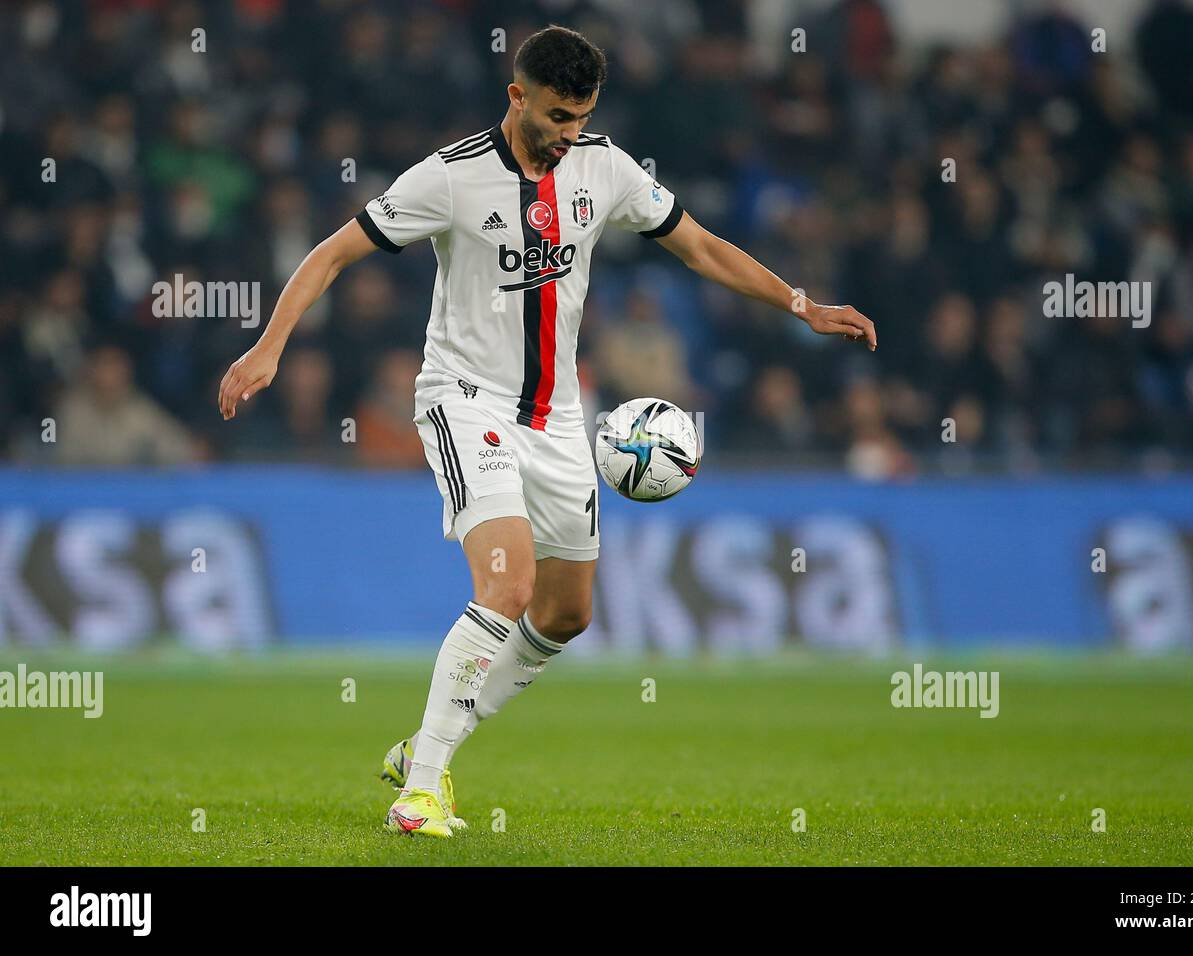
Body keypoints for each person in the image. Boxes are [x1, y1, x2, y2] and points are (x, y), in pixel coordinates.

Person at [217, 25, 875, 837]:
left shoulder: (605, 167)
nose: (570, 133)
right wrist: (269, 345)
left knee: (566, 614)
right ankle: (421, 792)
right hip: (466, 400)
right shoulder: (448, 179)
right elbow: (331, 254)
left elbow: (700, 248)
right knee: (508, 586)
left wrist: (802, 305)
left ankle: (426, 741)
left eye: (582, 117)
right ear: (516, 96)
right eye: (558, 116)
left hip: (560, 416)